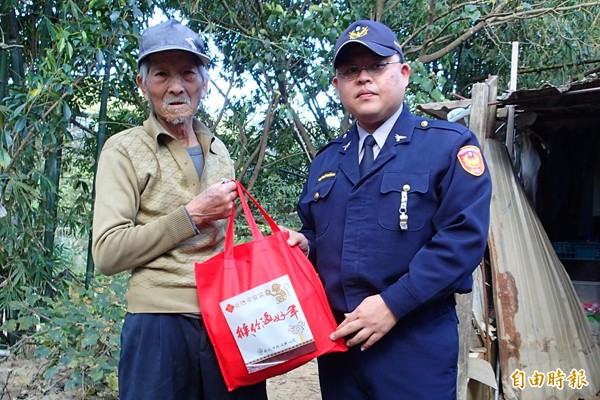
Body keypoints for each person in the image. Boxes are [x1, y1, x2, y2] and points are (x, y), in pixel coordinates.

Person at [287, 20, 492, 399]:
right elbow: (317, 233)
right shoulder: (328, 160)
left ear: (403, 72)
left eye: (377, 65)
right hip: (341, 349)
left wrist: (393, 304)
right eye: (350, 71)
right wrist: (305, 246)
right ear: (337, 86)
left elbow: (462, 239)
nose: (364, 78)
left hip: (414, 346)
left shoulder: (447, 146)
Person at [91, 19, 267, 400]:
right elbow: (106, 253)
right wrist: (192, 216)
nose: (176, 86)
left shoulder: (219, 149)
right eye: (161, 75)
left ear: (204, 82)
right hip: (159, 326)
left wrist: (275, 246)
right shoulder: (123, 150)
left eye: (188, 73)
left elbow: (225, 243)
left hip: (231, 318)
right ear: (142, 85)